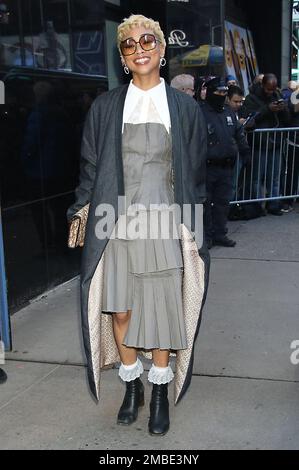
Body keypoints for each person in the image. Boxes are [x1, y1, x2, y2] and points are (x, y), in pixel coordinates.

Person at [67, 14, 210, 436]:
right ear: (123, 58)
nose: (140, 48)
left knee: (161, 311)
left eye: (148, 40)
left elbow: (195, 172)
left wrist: (195, 226)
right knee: (122, 310)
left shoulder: (184, 108)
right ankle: (132, 385)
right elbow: (91, 166)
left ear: (163, 51)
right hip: (117, 223)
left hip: (165, 222)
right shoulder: (106, 106)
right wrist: (81, 209)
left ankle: (159, 392)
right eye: (129, 44)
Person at [200, 77, 251, 248]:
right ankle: (207, 237)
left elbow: (239, 133)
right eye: (218, 92)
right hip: (207, 167)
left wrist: (246, 153)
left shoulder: (228, 112)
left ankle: (220, 234)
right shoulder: (200, 112)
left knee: (222, 203)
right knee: (206, 204)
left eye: (224, 92)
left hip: (226, 167)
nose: (222, 95)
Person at [243, 73, 290, 215]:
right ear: (263, 86)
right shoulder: (252, 98)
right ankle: (258, 206)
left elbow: (287, 120)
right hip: (259, 144)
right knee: (256, 177)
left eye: (273, 89)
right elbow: (250, 118)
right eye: (268, 89)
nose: (271, 92)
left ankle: (274, 204)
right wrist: (267, 109)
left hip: (275, 142)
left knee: (274, 176)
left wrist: (283, 109)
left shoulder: (277, 95)